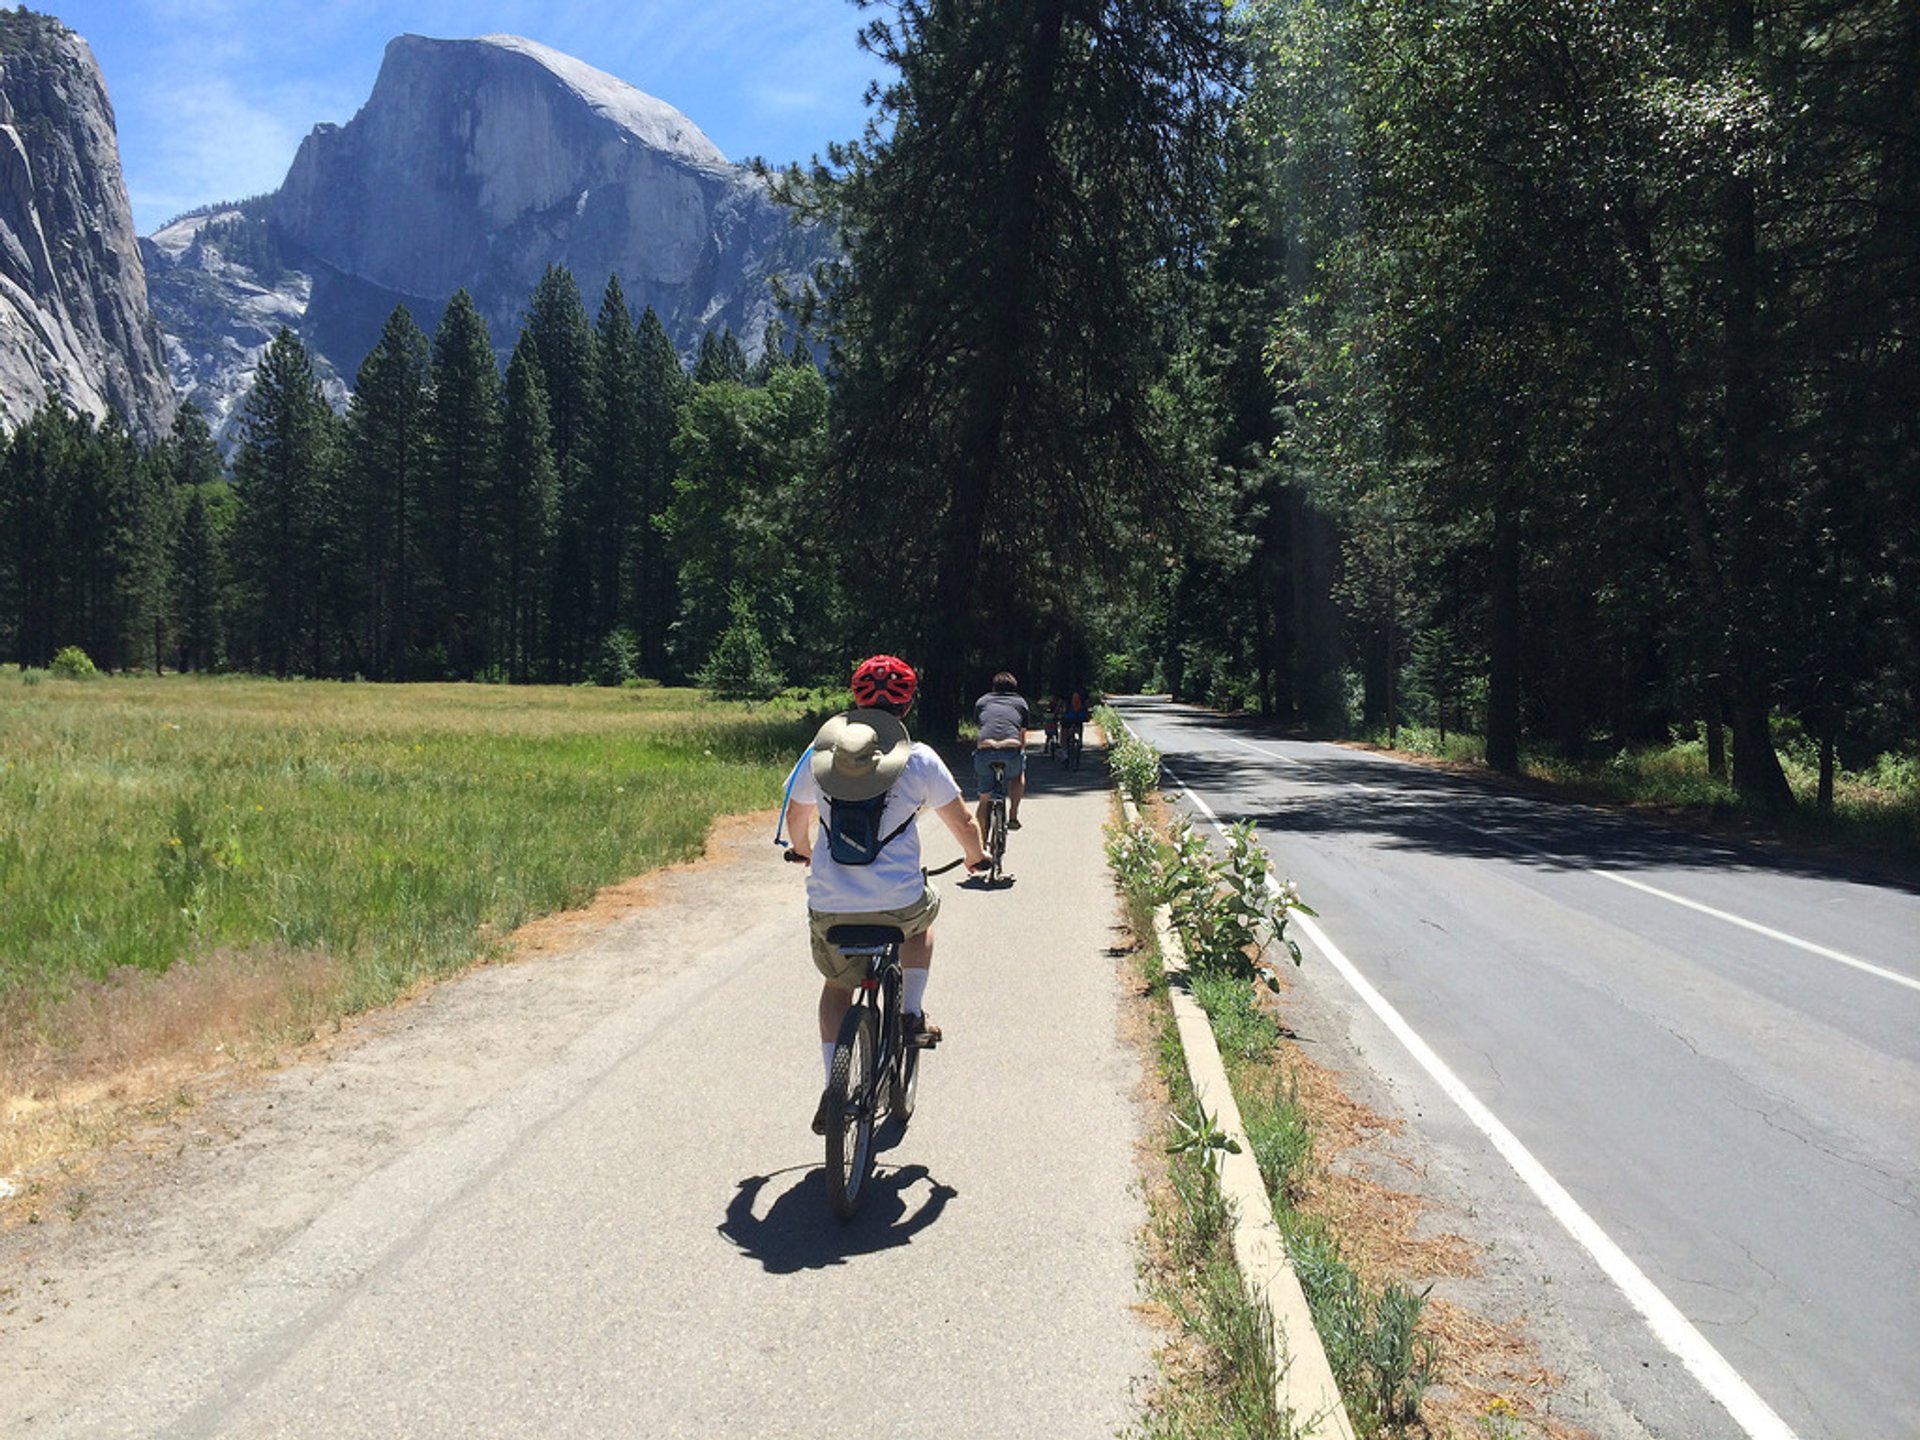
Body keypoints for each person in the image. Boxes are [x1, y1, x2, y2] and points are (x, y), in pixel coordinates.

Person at [786, 655, 986, 1134]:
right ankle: (911, 1013)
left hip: (831, 903)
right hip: (898, 902)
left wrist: (805, 852)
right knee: (924, 918)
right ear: (909, 703)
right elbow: (963, 823)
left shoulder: (820, 757)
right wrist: (975, 857)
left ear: (855, 701)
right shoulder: (919, 759)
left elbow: (796, 818)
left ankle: (833, 1091)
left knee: (838, 987)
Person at [972, 670, 1032, 833]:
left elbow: (981, 725)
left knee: (984, 800)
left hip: (985, 749)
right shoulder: (1021, 703)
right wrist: (1021, 751)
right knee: (1018, 775)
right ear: (1014, 688)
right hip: (1010, 748)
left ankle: (981, 845)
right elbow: (1022, 733)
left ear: (993, 687)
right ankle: (1013, 815)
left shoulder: (982, 701)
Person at [1059, 685, 1092, 759]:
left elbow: (1060, 704)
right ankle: (1080, 740)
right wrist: (1088, 714)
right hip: (1080, 716)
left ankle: (1064, 751)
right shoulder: (1082, 691)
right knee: (1079, 724)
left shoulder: (1066, 691)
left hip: (1068, 716)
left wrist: (1056, 714)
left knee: (1064, 730)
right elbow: (1087, 704)